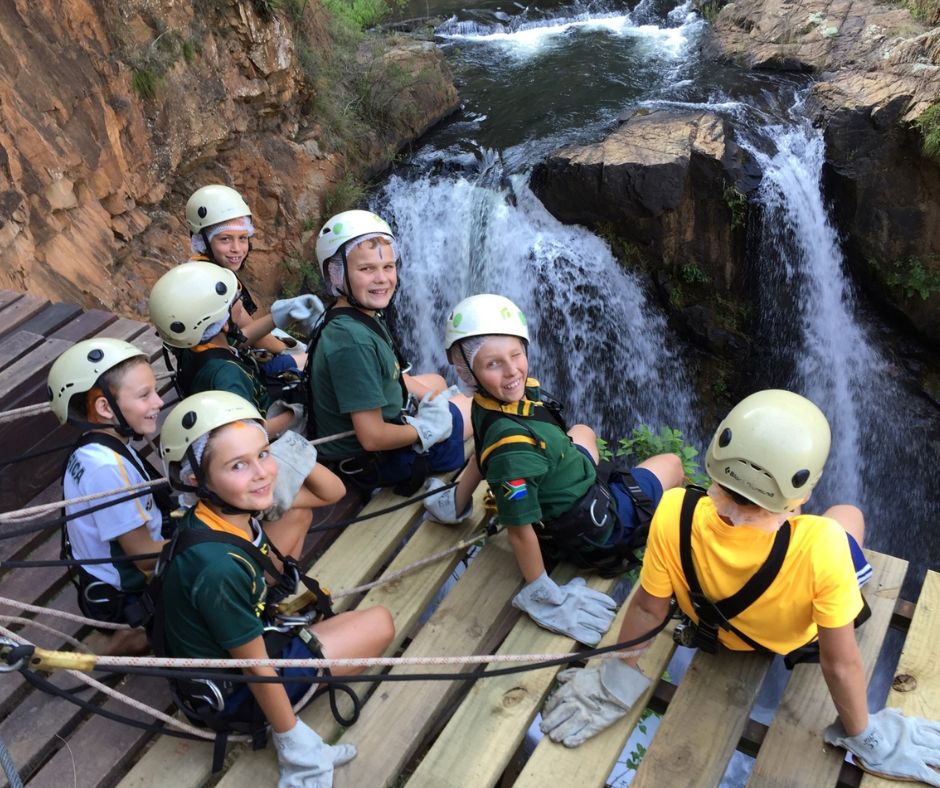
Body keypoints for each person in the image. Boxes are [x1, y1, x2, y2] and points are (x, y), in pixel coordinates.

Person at [539, 389, 940, 786]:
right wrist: (863, 733)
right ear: (802, 490)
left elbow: (647, 608)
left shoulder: (675, 510)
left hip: (713, 628)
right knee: (847, 515)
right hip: (786, 640)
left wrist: (618, 673)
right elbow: (838, 661)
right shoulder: (823, 545)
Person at [158, 390, 394, 787]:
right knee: (380, 624)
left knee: (296, 516)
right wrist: (294, 742)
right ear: (196, 478)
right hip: (228, 695)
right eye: (238, 465)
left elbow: (327, 493)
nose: (262, 473)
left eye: (263, 454)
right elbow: (255, 667)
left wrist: (285, 450)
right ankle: (288, 733)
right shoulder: (218, 569)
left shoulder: (219, 513)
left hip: (219, 648)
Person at [436, 294, 684, 646]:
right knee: (672, 465)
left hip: (565, 479)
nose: (511, 372)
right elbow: (520, 532)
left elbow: (480, 450)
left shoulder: (487, 403)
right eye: (493, 364)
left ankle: (593, 481)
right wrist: (540, 590)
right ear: (467, 370)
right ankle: (670, 550)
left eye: (516, 355)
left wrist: (459, 500)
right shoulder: (513, 453)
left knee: (582, 432)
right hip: (595, 530)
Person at [149, 261, 337, 549]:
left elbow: (234, 337)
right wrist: (292, 413)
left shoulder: (196, 348)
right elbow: (250, 435)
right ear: (223, 321)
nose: (241, 305)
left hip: (217, 434)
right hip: (245, 452)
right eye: (235, 302)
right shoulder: (228, 378)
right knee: (304, 511)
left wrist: (277, 317)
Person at [308, 209, 479, 501]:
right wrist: (425, 428)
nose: (382, 279)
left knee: (437, 382)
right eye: (366, 269)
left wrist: (431, 400)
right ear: (335, 273)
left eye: (388, 267)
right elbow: (372, 437)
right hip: (374, 462)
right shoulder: (353, 342)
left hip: (372, 437)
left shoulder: (352, 314)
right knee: (476, 405)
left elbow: (396, 376)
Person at [47, 338, 170, 652]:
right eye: (145, 395)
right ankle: (130, 639)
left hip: (100, 581)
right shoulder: (106, 470)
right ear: (104, 408)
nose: (158, 402)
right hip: (123, 597)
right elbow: (142, 555)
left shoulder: (95, 446)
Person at [184, 184, 310, 376]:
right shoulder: (215, 286)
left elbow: (245, 324)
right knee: (315, 361)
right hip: (225, 368)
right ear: (203, 241)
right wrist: (287, 351)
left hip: (208, 364)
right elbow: (252, 336)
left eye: (243, 238)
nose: (237, 248)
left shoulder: (198, 269)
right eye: (225, 239)